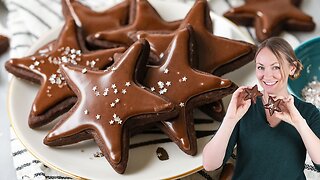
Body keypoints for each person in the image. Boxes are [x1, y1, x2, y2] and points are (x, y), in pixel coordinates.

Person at [202, 37, 320, 179]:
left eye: (276, 67)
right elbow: (210, 164)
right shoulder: (245, 108)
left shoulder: (308, 112)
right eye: (261, 67)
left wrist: (299, 123)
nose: (267, 75)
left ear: (292, 67)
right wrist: (230, 119)